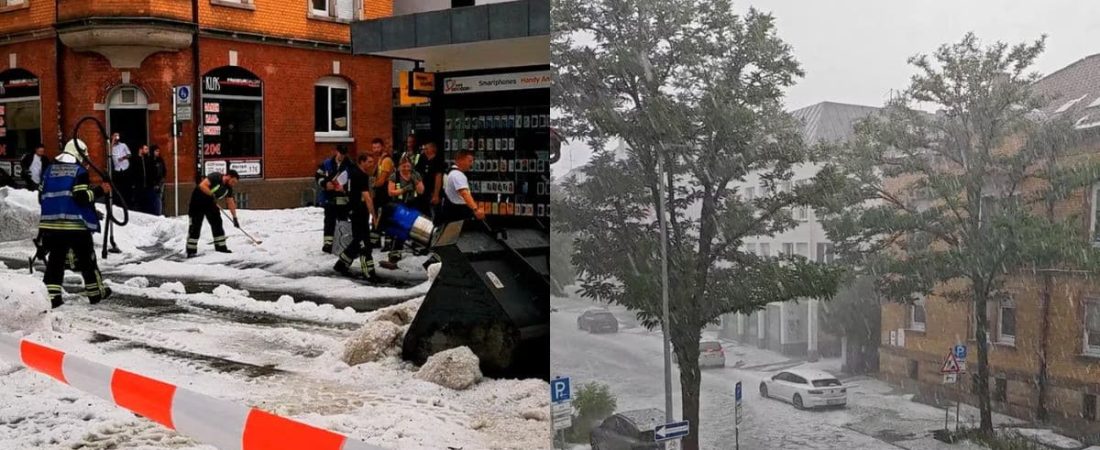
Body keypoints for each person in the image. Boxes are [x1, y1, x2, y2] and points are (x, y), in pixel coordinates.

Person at [39, 140, 113, 308]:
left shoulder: (49, 170)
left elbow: (41, 195)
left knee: (55, 261)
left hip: (52, 225)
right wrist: (100, 190)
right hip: (75, 226)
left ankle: (53, 297)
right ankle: (95, 293)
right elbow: (81, 197)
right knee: (87, 260)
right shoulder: (78, 172)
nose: (85, 162)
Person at [424, 150, 484, 269]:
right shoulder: (457, 175)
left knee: (445, 242)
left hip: (451, 212)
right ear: (460, 160)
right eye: (469, 160)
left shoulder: (451, 172)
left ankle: (433, 265)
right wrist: (476, 209)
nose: (471, 164)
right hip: (456, 214)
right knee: (449, 243)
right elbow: (464, 193)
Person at [334, 153, 381, 282]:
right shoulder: (361, 175)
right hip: (360, 212)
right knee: (364, 242)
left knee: (357, 240)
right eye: (369, 162)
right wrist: (374, 216)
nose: (372, 164)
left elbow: (341, 186)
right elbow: (367, 198)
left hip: (353, 211)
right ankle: (369, 272)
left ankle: (342, 264)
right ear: (362, 162)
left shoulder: (352, 172)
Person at [380, 156, 425, 269]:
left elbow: (421, 191)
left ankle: (413, 249)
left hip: (412, 205)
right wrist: (404, 190)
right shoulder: (395, 176)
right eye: (403, 166)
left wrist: (415, 181)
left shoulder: (415, 175)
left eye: (408, 166)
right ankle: (394, 257)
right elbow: (390, 192)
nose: (406, 168)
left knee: (410, 228)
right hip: (399, 205)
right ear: (399, 166)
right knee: (399, 229)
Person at [186, 170, 240, 258]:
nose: (233, 184)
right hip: (197, 202)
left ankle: (221, 247)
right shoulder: (215, 177)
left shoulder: (228, 188)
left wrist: (234, 217)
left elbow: (230, 202)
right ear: (228, 177)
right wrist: (212, 195)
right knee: (195, 226)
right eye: (233, 181)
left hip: (210, 203)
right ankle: (191, 251)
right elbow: (202, 185)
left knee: (217, 223)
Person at [314, 145, 353, 253]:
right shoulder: (327, 163)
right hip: (329, 197)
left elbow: (352, 181)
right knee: (329, 220)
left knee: (342, 220)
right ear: (336, 152)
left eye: (344, 154)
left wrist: (344, 188)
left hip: (342, 198)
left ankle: (341, 242)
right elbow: (318, 175)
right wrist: (325, 183)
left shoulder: (350, 166)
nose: (342, 156)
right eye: (340, 154)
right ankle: (328, 243)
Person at [368, 138, 395, 253]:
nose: (375, 150)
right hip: (381, 192)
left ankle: (388, 243)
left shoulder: (386, 160)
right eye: (374, 147)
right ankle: (376, 240)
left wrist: (372, 186)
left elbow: (382, 180)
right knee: (378, 217)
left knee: (385, 217)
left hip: (385, 193)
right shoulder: (380, 160)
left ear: (382, 147)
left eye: (377, 147)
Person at [414, 141, 445, 218]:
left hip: (432, 191)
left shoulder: (438, 160)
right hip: (423, 191)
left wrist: (436, 194)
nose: (425, 150)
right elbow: (416, 172)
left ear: (433, 149)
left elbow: (438, 178)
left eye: (427, 148)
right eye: (425, 149)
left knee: (434, 212)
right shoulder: (422, 158)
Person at [109, 132, 132, 205]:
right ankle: (118, 203)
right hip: (117, 169)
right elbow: (108, 153)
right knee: (118, 187)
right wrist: (112, 141)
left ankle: (127, 202)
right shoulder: (111, 146)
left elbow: (129, 154)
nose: (117, 137)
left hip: (125, 168)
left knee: (126, 186)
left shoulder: (123, 145)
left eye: (117, 135)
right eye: (115, 135)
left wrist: (123, 158)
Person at [149, 145, 167, 216]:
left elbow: (164, 170)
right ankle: (155, 212)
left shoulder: (160, 160)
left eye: (158, 151)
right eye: (156, 151)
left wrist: (162, 179)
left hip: (160, 181)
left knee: (159, 196)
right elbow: (150, 172)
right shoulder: (150, 160)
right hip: (152, 182)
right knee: (154, 197)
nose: (158, 153)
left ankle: (159, 212)